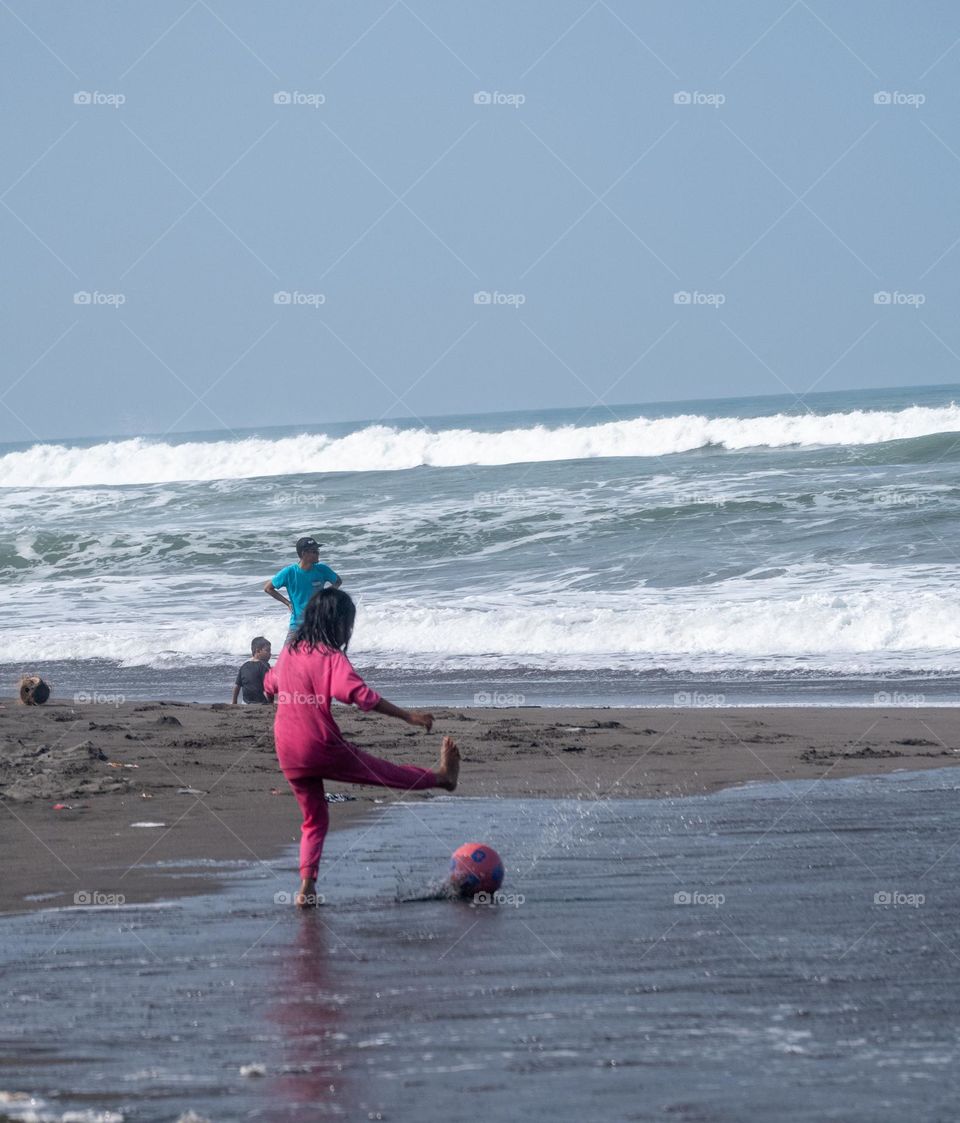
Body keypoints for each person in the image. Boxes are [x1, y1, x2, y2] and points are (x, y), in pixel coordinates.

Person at [264, 587, 459, 908]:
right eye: (348, 624)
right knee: (387, 773)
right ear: (338, 623)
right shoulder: (331, 657)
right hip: (321, 746)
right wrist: (408, 715)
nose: (348, 631)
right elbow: (359, 696)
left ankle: (306, 889)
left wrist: (278, 692)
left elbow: (269, 683)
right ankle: (442, 778)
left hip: (287, 750)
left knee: (314, 819)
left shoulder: (289, 653)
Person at [264, 536, 342, 646]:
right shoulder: (289, 572)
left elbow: (338, 581)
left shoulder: (322, 569)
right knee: (287, 658)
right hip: (297, 625)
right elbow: (268, 588)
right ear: (304, 553)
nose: (318, 554)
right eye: (314, 551)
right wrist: (287, 603)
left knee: (325, 658)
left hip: (320, 624)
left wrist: (325, 595)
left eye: (318, 551)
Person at [232, 637, 274, 705]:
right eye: (267, 650)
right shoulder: (265, 666)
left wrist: (234, 702)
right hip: (261, 703)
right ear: (257, 651)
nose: (270, 654)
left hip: (245, 703)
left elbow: (237, 686)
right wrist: (271, 703)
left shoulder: (244, 666)